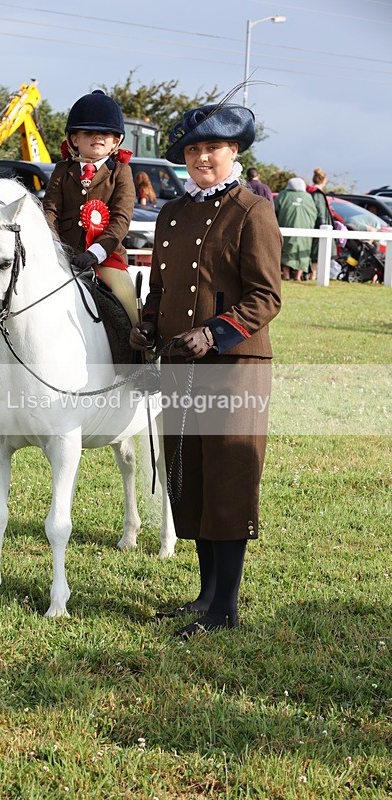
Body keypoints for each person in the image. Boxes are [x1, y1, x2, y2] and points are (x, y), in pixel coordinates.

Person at [130, 96, 282, 639]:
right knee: (188, 476)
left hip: (234, 366)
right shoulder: (172, 212)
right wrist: (149, 323)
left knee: (227, 477)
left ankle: (226, 606)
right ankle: (205, 596)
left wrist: (214, 333)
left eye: (212, 148)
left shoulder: (251, 210)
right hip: (178, 364)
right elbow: (164, 288)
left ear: (234, 150)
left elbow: (266, 297)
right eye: (194, 149)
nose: (202, 158)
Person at [43, 90, 137, 326]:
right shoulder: (62, 170)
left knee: (129, 305)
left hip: (106, 259)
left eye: (105, 133)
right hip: (63, 256)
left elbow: (121, 219)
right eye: (88, 133)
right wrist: (57, 248)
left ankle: (140, 356)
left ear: (116, 141)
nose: (97, 137)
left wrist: (95, 253)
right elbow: (50, 211)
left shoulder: (121, 172)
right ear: (74, 139)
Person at [274, 177, 318, 281]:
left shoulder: (283, 195)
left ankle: (286, 276)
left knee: (286, 250)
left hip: (285, 229)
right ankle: (297, 276)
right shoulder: (308, 197)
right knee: (303, 252)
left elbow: (274, 211)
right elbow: (314, 213)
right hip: (306, 231)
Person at [306, 167, 334, 280]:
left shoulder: (312, 192)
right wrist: (323, 225)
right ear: (323, 180)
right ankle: (313, 275)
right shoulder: (317, 194)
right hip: (320, 227)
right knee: (317, 254)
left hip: (316, 227)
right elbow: (321, 212)